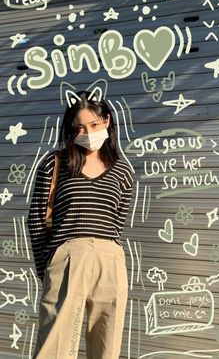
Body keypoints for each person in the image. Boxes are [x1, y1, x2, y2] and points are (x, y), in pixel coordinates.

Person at [27, 89, 134, 359]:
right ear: (71, 131)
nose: (88, 132)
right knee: (56, 346)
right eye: (80, 128)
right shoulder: (55, 164)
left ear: (107, 121)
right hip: (68, 256)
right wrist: (47, 267)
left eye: (94, 125)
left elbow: (117, 221)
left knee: (106, 344)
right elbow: (37, 220)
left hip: (110, 258)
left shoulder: (122, 171)